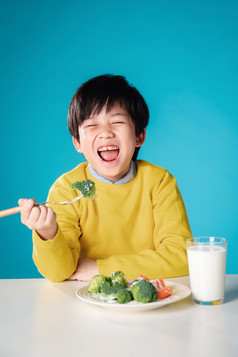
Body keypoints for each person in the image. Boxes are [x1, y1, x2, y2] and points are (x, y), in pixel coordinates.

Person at [19, 74, 192, 282]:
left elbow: (181, 256)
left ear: (139, 136)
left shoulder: (160, 182)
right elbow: (59, 272)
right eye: (92, 126)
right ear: (77, 143)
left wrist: (100, 268)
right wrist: (47, 232)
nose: (105, 133)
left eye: (117, 121)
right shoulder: (67, 189)